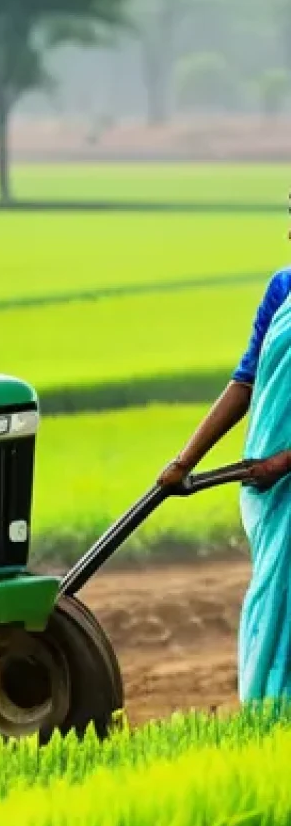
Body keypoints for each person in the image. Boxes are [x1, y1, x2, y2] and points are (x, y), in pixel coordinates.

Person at [157, 254, 291, 704]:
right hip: (272, 487)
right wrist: (185, 460)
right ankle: (269, 713)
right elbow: (246, 380)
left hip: (279, 472)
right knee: (274, 591)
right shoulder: (283, 288)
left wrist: (281, 463)